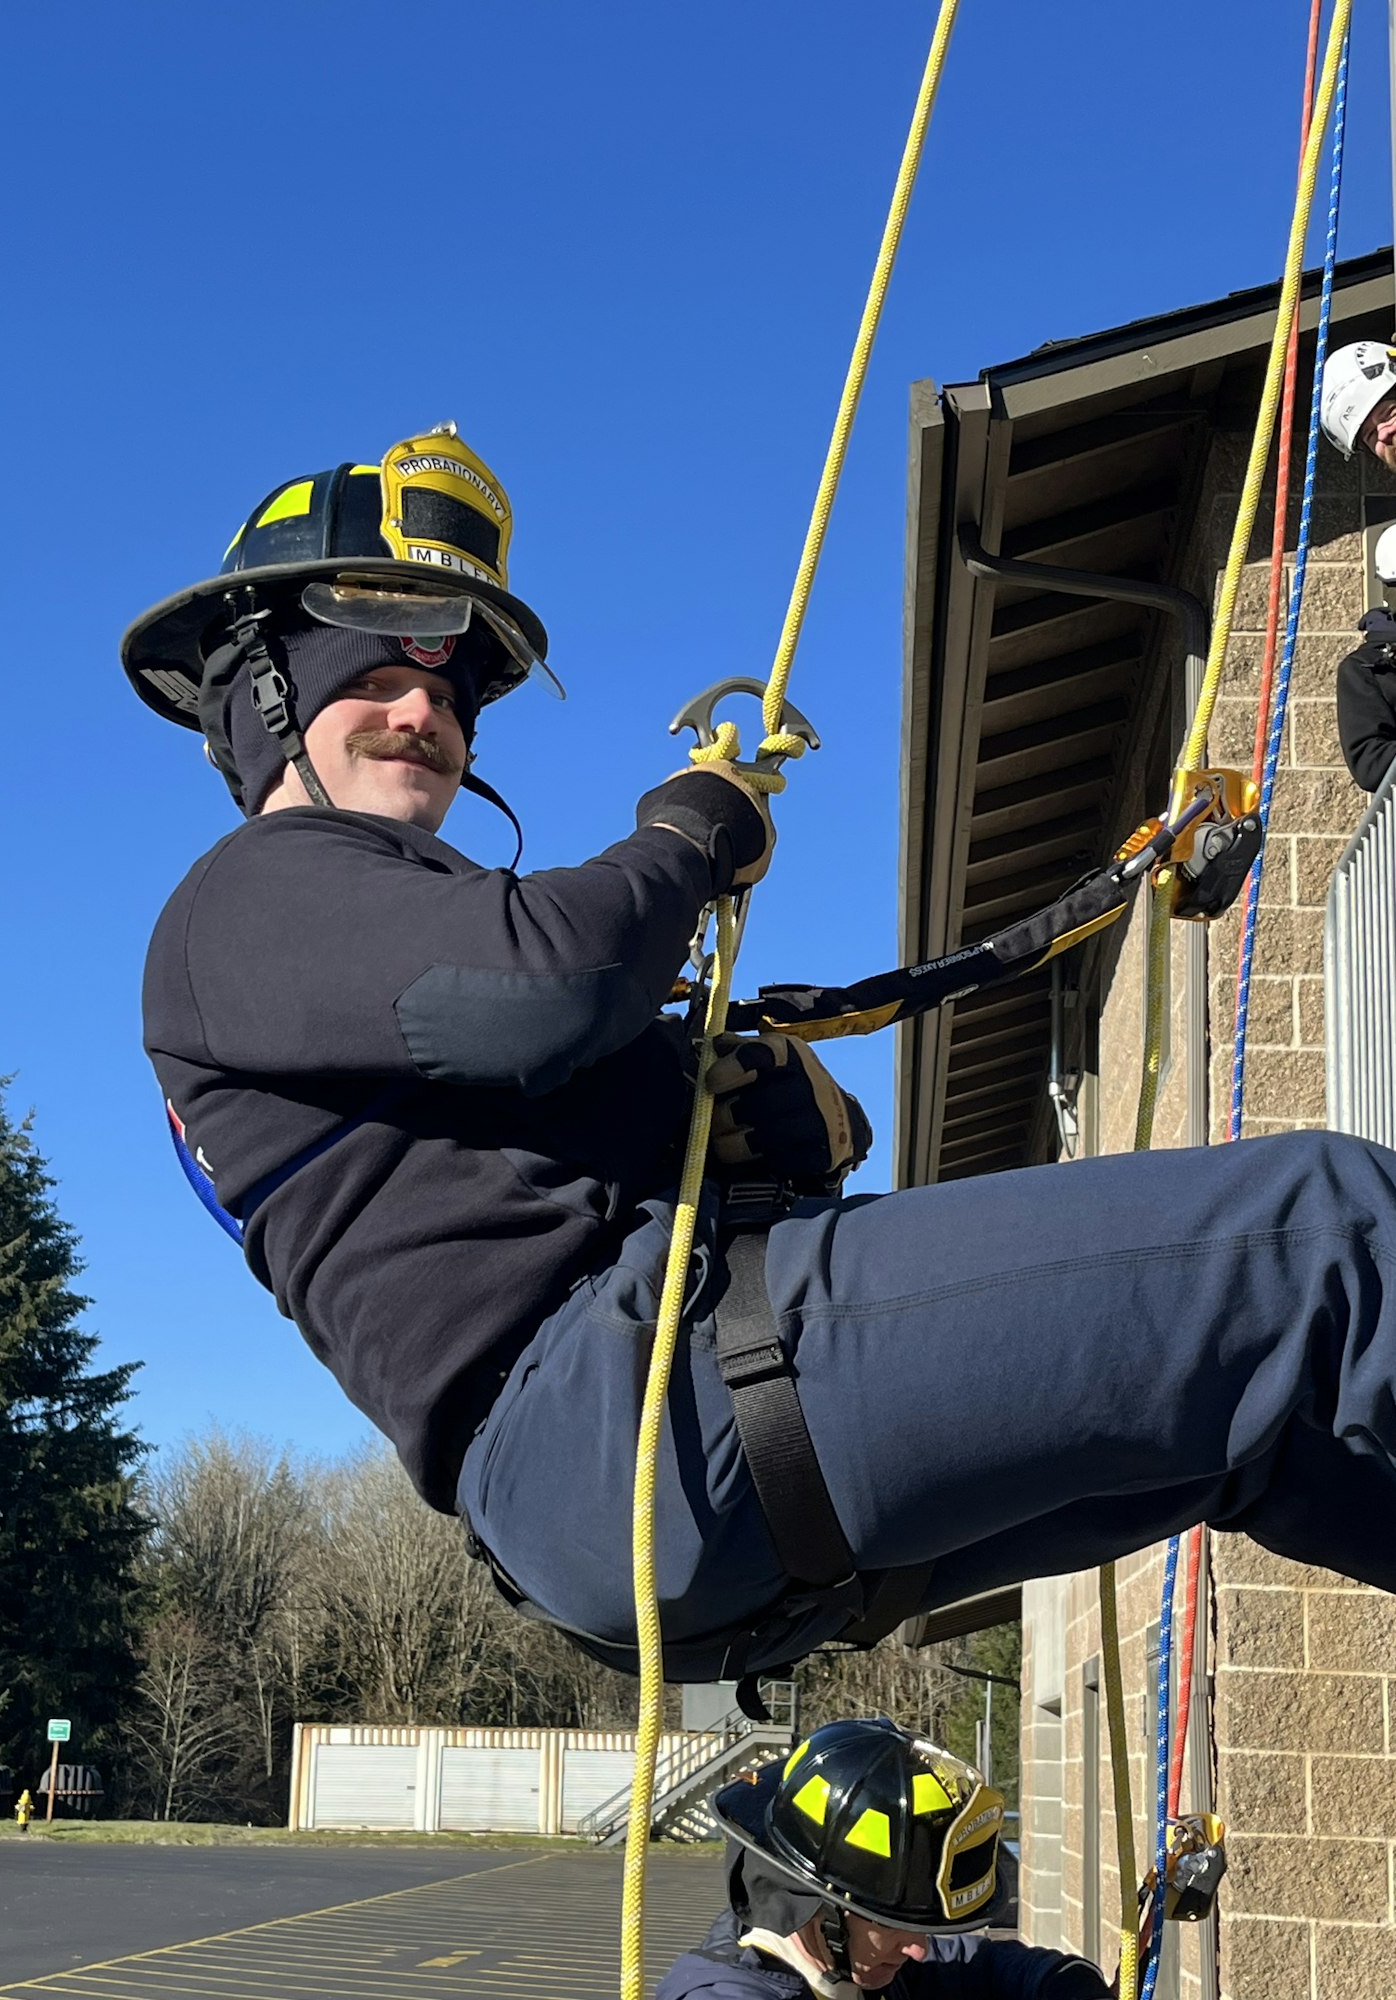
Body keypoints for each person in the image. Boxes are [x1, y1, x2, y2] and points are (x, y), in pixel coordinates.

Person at [130, 424, 1396, 1692]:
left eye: (457, 687)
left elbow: (548, 1064)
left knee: (1267, 1435)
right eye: (378, 666)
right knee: (1327, 1232)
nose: (428, 709)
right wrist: (689, 829)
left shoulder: (356, 950)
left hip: (654, 1449)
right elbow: (555, 981)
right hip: (628, 1412)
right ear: (263, 684)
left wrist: (740, 1113)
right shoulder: (244, 898)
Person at [656, 1718, 1111, 1998]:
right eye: (893, 1923)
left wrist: (1071, 1986)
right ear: (821, 1903)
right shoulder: (723, 1994)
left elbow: (984, 1967)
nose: (916, 1949)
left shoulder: (862, 1965)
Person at [1320, 343, 1396, 790]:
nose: (1383, 435)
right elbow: (1373, 763)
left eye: (1387, 412)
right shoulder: (1371, 669)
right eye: (1370, 436)